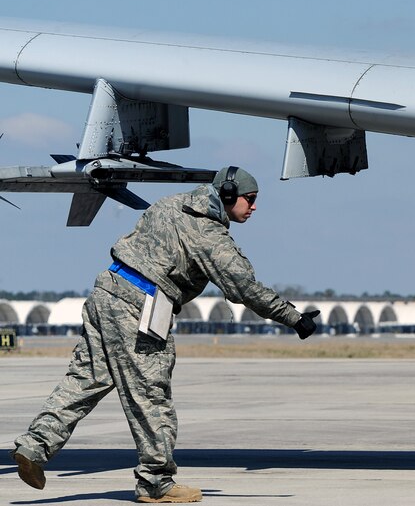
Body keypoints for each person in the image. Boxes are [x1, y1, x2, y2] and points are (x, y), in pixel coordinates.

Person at [10, 166, 320, 503]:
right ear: (228, 195)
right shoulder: (209, 235)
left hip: (107, 290)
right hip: (141, 306)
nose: (254, 207)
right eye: (251, 199)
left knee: (86, 379)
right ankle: (156, 482)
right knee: (150, 395)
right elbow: (244, 288)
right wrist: (294, 318)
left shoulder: (170, 203)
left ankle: (34, 446)